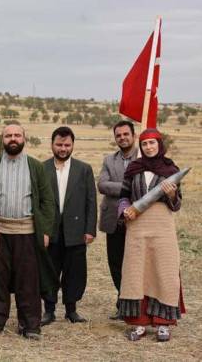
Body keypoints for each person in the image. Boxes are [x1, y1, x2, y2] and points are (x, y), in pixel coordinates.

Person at [0, 123, 56, 340]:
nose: (12, 139)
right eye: (8, 136)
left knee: (28, 281)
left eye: (17, 135)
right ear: (1, 139)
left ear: (24, 138)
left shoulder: (36, 166)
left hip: (27, 231)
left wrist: (46, 231)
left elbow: (48, 201)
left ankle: (31, 324)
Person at [118, 128, 184, 342]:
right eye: (145, 144)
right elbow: (123, 196)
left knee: (163, 271)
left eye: (152, 143)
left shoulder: (171, 169)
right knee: (137, 273)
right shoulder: (133, 169)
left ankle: (163, 324)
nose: (148, 147)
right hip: (137, 227)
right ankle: (139, 324)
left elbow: (176, 205)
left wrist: (172, 193)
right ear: (141, 146)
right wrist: (125, 210)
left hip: (162, 227)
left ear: (159, 145)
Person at [41, 127, 97, 325]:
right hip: (51, 231)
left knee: (74, 272)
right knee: (49, 271)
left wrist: (90, 229)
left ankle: (71, 310)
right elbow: (38, 203)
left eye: (67, 145)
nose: (63, 148)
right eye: (59, 144)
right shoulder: (42, 168)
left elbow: (91, 201)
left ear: (73, 145)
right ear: (52, 144)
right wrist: (42, 231)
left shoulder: (84, 169)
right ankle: (48, 310)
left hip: (76, 231)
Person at [97, 120, 138, 320]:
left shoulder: (143, 157)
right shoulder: (109, 160)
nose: (122, 138)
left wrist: (120, 187)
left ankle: (135, 305)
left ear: (133, 135)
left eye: (125, 134)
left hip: (137, 220)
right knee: (115, 263)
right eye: (118, 135)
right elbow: (102, 185)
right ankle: (122, 302)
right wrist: (129, 187)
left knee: (135, 263)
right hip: (113, 219)